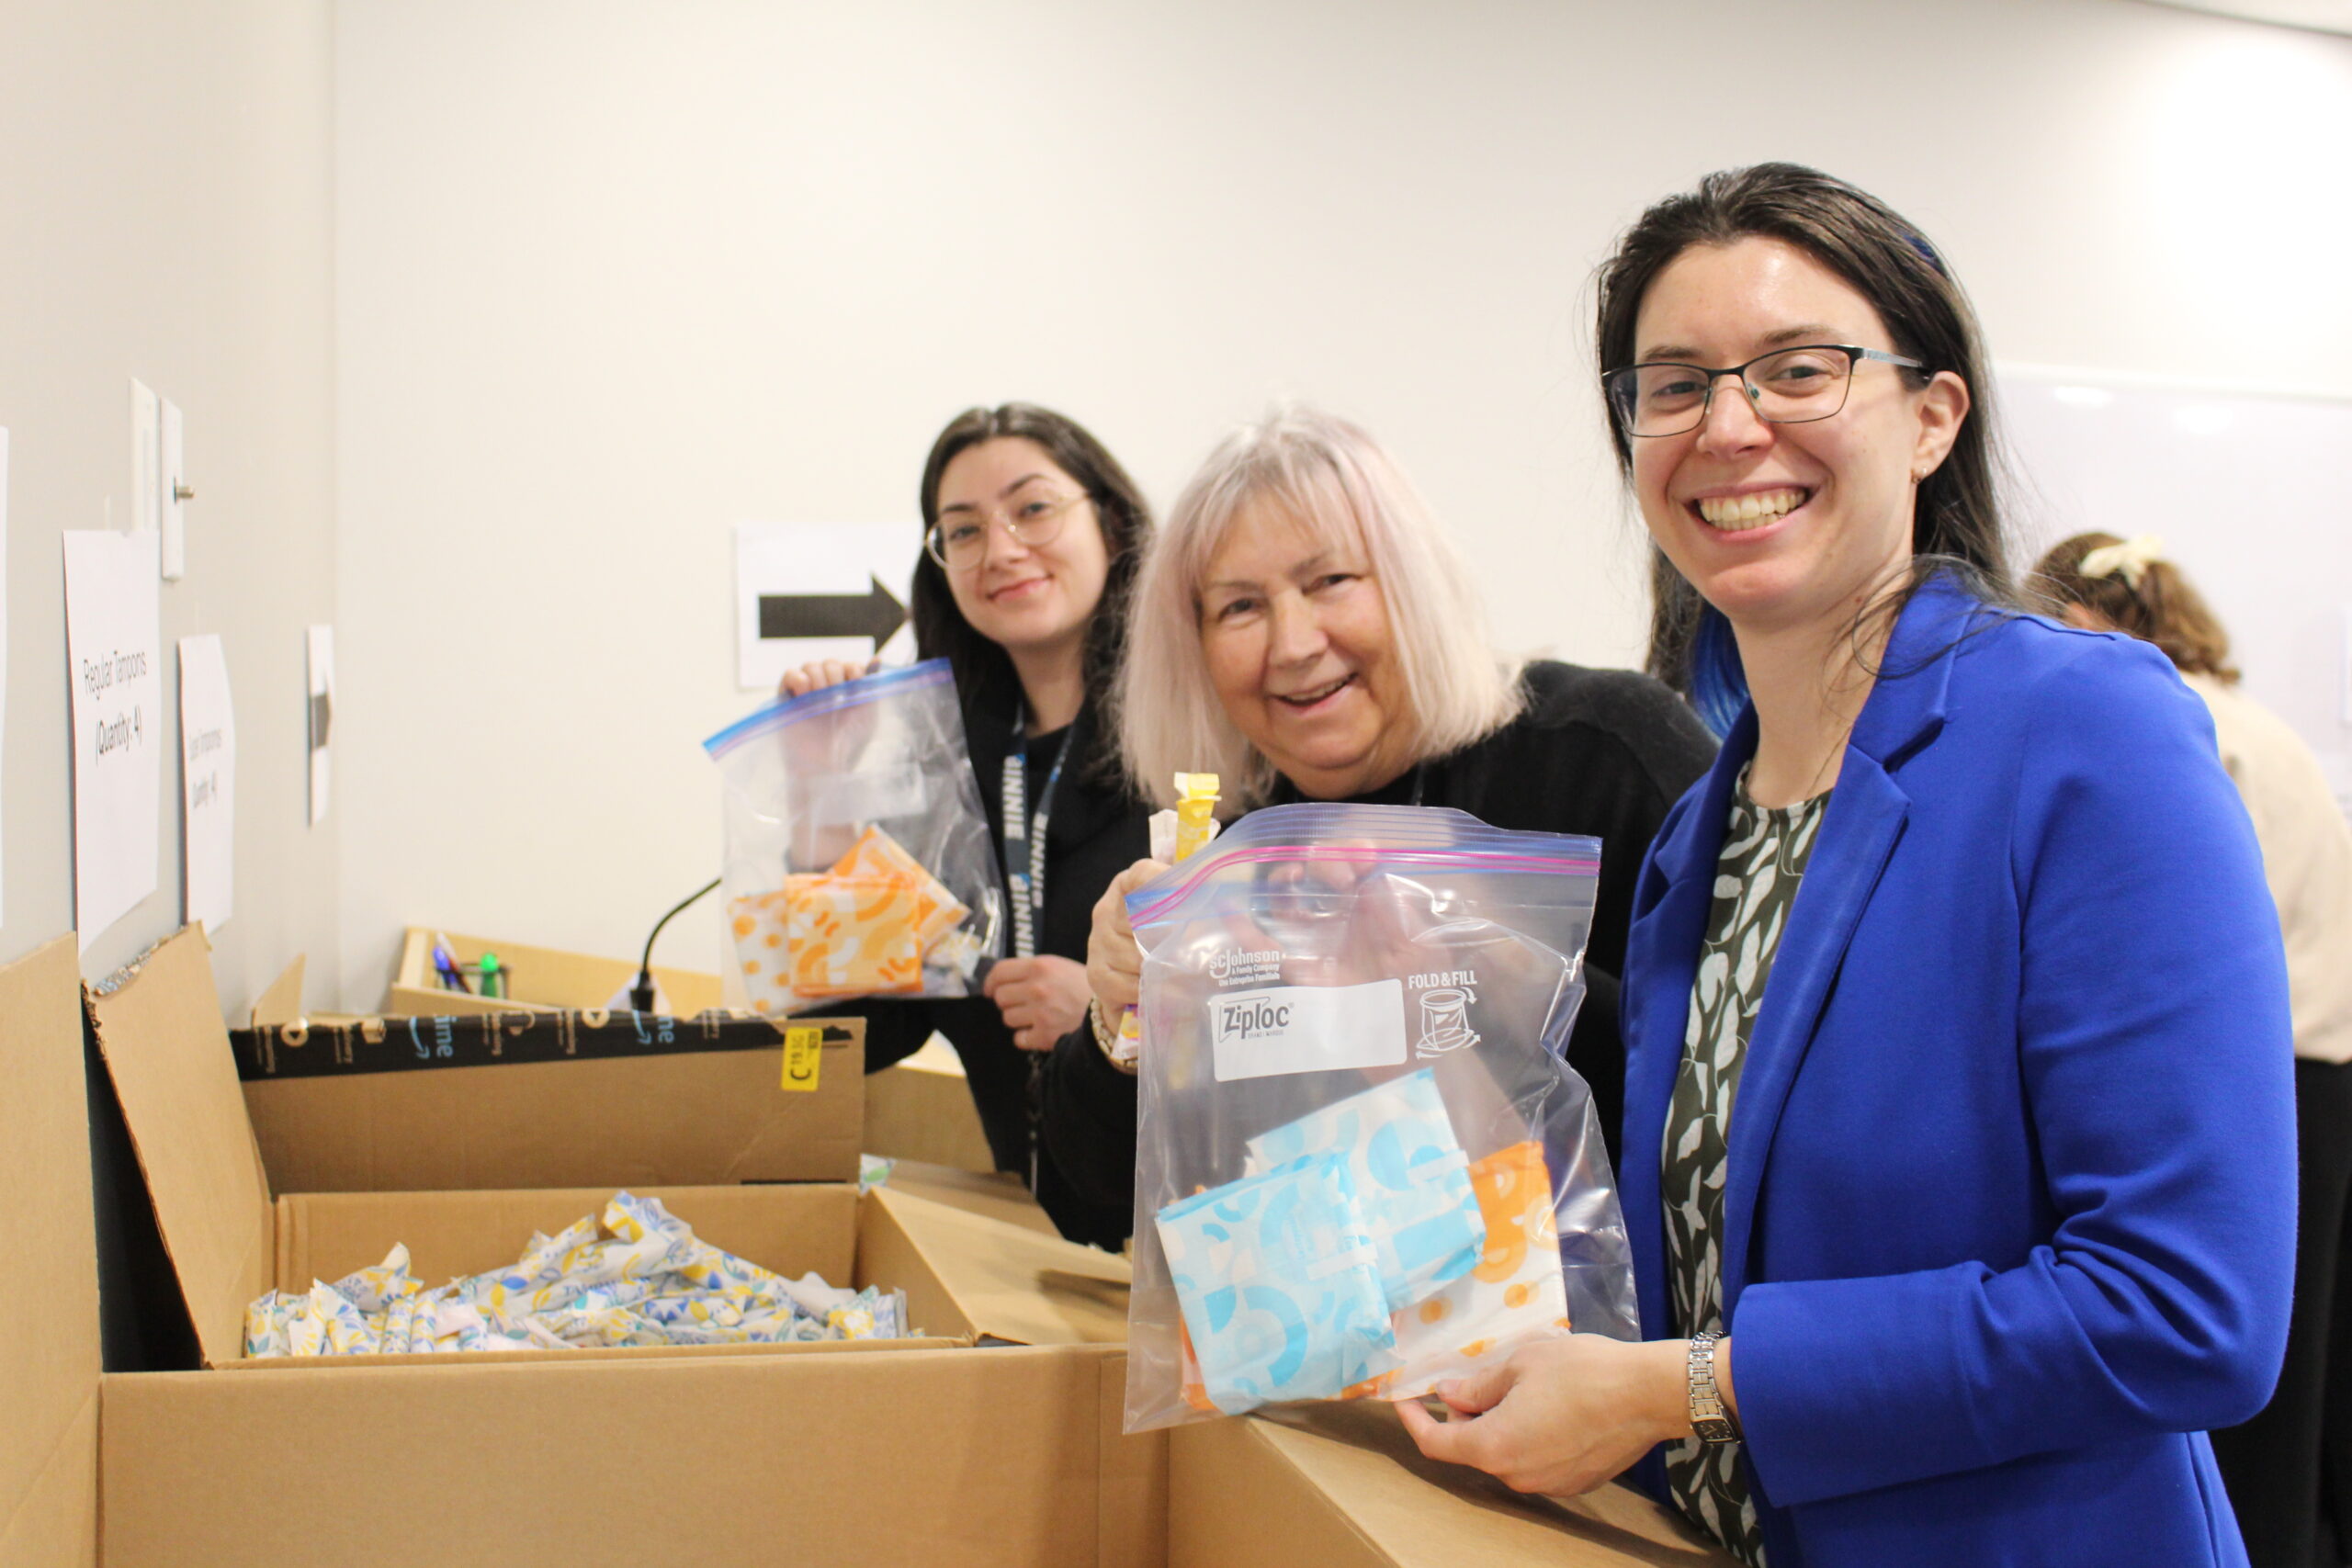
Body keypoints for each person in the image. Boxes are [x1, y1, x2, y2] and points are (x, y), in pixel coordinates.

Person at [1396, 164, 2295, 1568]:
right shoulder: (1703, 831)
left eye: (1799, 369)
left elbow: (2186, 1308)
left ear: (1934, 416)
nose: (1729, 425)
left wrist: (1681, 1387)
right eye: (1675, 385)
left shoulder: (2085, 732)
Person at [1041, 404, 1717, 1242]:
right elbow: (1088, 1202)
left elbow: (1735, 1088)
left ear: (1409, 584)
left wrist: (1494, 971)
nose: (1294, 643)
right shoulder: (1235, 851)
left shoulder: (1602, 751)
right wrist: (1122, 1018)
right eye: (1241, 607)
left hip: (1598, 1314)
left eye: (1330, 581)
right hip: (1322, 1322)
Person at [2036, 530, 2352, 1568]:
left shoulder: (2174, 728)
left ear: (2095, 621)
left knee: (2237, 1390)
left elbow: (2171, 941)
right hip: (2318, 1069)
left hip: (2271, 1074)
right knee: (2298, 1372)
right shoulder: (2249, 721)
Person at [781, 403, 1151, 1247]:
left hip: (1198, 1265)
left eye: (1033, 508)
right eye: (964, 529)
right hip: (1032, 1257)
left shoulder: (1201, 746)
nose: (1002, 549)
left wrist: (1119, 1022)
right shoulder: (943, 769)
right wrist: (819, 787)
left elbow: (1281, 1025)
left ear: (1110, 523)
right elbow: (852, 1030)